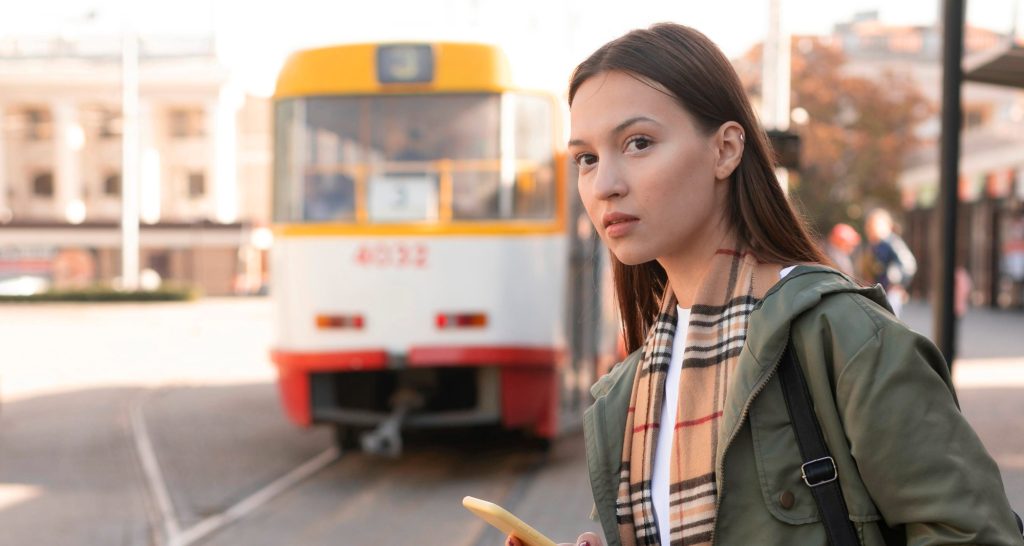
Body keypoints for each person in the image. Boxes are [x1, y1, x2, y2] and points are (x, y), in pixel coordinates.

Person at [505, 24, 1022, 546]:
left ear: (726, 150)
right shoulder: (630, 388)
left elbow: (977, 534)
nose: (605, 184)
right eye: (586, 159)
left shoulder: (842, 337)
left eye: (638, 143)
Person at [864, 208, 917, 318]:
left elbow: (908, 264)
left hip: (889, 291)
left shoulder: (892, 242)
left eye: (874, 225)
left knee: (889, 320)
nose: (871, 229)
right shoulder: (875, 245)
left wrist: (897, 282)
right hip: (880, 290)